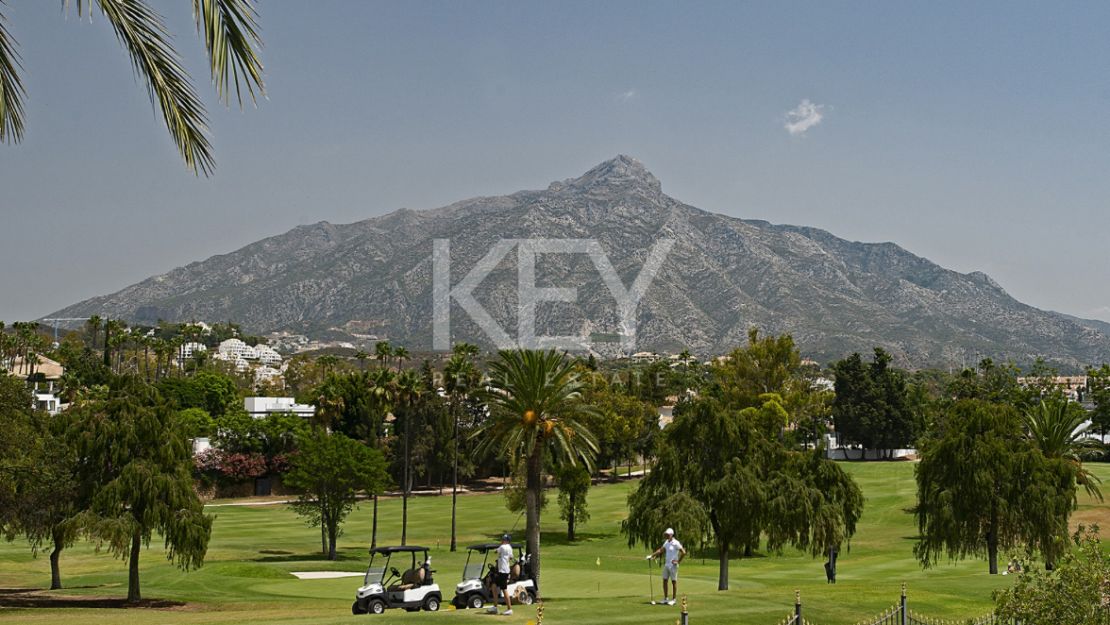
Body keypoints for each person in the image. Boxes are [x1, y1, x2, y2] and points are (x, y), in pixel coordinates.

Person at [646, 528, 686, 605]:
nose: (666, 535)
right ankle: (666, 598)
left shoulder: (676, 543)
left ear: (671, 535)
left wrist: (678, 562)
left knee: (674, 582)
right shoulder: (666, 542)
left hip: (673, 566)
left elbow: (683, 552)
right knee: (665, 580)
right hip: (667, 565)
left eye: (667, 534)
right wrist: (652, 555)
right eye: (666, 534)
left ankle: (674, 599)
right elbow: (661, 550)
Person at [487, 534, 515, 616]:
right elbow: (510, 557)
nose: (502, 540)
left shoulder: (502, 547)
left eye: (503, 539)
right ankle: (495, 607)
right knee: (494, 585)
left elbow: (496, 551)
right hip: (504, 571)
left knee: (504, 589)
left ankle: (509, 609)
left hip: (503, 571)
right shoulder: (510, 548)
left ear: (507, 541)